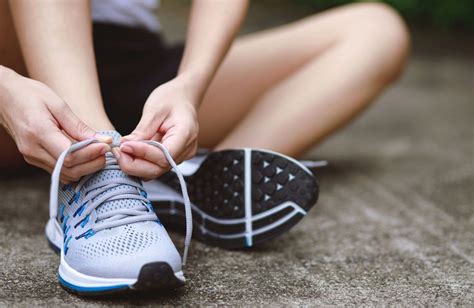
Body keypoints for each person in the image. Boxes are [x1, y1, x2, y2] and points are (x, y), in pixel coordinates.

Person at [0, 0, 409, 295]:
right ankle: (96, 168)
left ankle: (178, 181)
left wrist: (191, 84)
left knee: (376, 31)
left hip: (132, 61)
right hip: (13, 71)